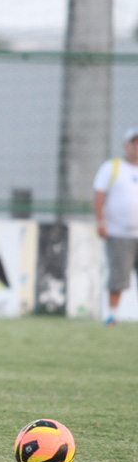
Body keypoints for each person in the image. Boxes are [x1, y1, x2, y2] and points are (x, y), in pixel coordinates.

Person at [93, 126, 138, 326]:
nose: (136, 147)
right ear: (126, 145)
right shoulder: (112, 168)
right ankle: (112, 315)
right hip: (119, 232)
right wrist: (101, 221)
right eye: (134, 143)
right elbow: (99, 195)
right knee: (119, 276)